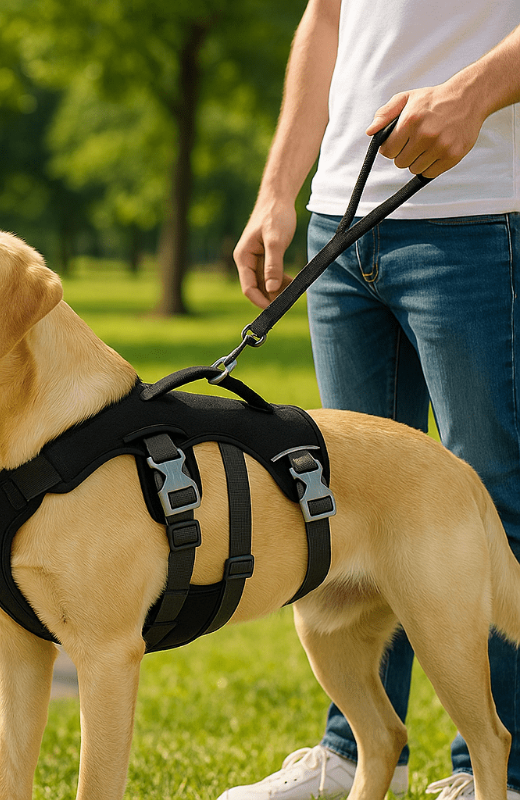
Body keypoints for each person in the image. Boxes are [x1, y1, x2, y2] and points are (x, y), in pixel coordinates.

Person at [222, 1, 520, 799]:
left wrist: (478, 90)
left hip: (483, 214)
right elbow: (325, 19)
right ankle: (354, 754)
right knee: (348, 501)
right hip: (345, 221)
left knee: (494, 494)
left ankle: (499, 771)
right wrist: (279, 187)